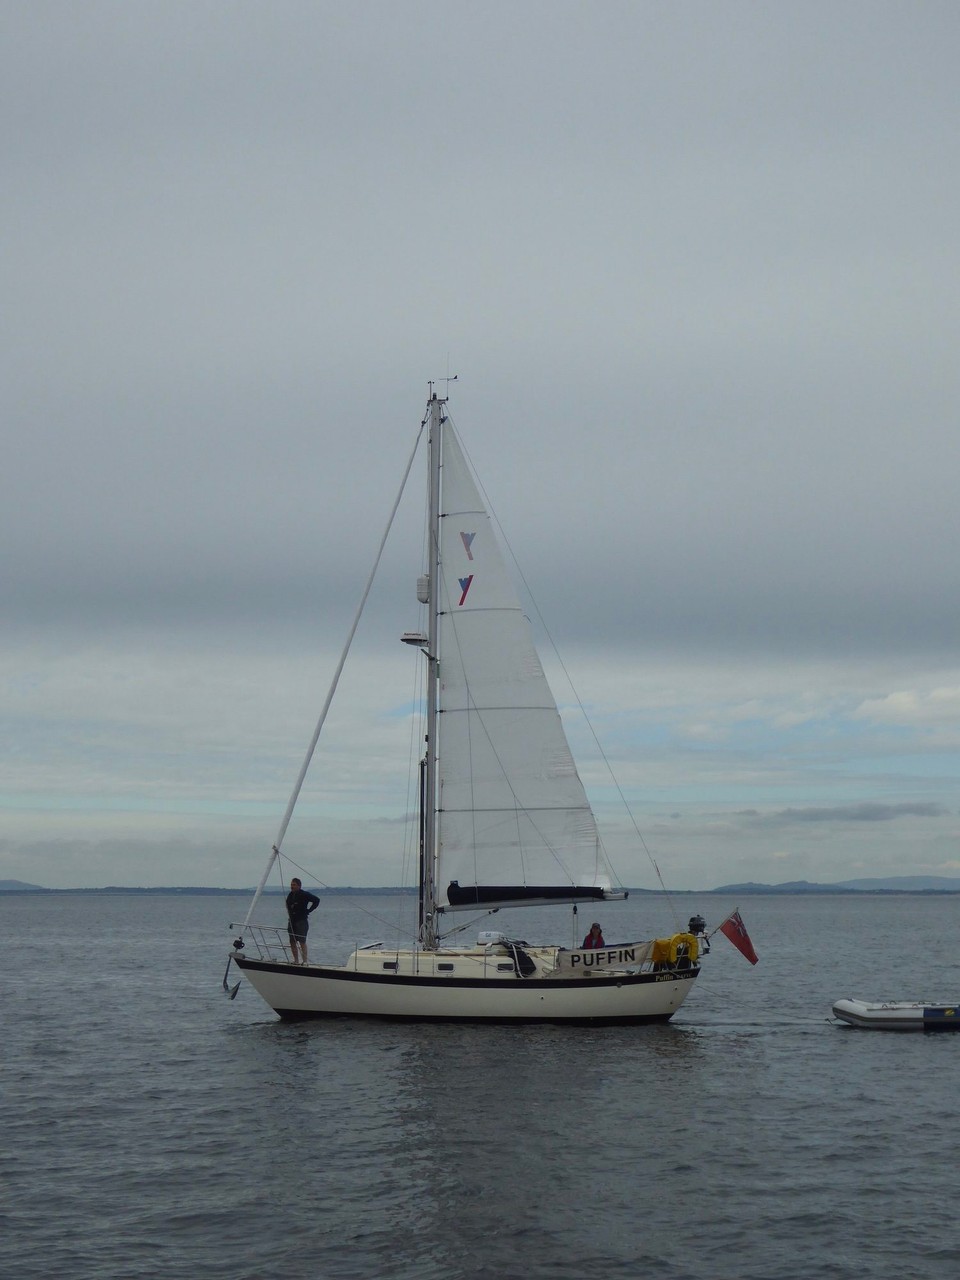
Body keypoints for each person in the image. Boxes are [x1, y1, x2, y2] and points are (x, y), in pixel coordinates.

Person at [286, 877, 321, 964]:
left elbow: (316, 900)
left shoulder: (304, 894)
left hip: (301, 921)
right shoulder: (290, 895)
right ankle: (296, 960)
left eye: (294, 885)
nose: (292, 886)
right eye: (291, 885)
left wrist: (309, 910)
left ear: (299, 886)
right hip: (292, 921)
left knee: (302, 941)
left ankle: (305, 961)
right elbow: (287, 905)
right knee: (292, 941)